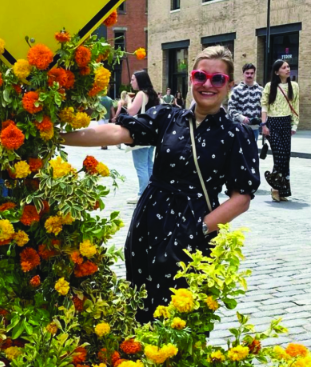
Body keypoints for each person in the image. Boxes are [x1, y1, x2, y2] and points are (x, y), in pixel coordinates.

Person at [63, 45, 259, 322]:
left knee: (181, 314)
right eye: (200, 76)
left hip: (195, 227)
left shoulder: (235, 134)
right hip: (149, 222)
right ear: (191, 78)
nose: (207, 84)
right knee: (140, 303)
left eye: (218, 79)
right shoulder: (167, 117)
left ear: (229, 84)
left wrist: (199, 229)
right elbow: (116, 132)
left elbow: (242, 198)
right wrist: (58, 136)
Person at [261, 60, 299, 202]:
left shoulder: (294, 86)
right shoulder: (269, 86)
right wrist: (264, 125)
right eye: (284, 67)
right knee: (280, 155)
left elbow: (296, 106)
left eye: (288, 67)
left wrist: (294, 125)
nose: (287, 69)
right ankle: (275, 187)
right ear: (277, 72)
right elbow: (264, 106)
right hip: (272, 123)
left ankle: (281, 190)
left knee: (285, 157)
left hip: (286, 123)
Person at [124, 70, 160, 204]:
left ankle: (142, 195)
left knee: (141, 166)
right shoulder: (153, 95)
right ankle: (151, 194)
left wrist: (129, 100)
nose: (131, 82)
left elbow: (131, 111)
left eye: (133, 79)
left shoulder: (141, 94)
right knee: (148, 165)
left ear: (140, 80)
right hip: (151, 133)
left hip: (141, 133)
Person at [228, 63, 263, 140]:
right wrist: (241, 118)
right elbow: (230, 108)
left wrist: (261, 120)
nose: (249, 75)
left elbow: (264, 108)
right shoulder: (236, 90)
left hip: (255, 129)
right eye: (247, 73)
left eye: (251, 73)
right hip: (240, 128)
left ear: (254, 74)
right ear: (243, 74)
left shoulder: (260, 90)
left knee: (253, 148)